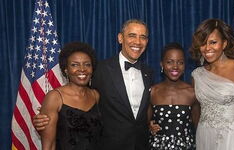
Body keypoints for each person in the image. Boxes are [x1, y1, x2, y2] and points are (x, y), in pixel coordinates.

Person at [33, 19, 153, 150]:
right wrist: (44, 118)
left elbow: (146, 110)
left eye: (143, 37)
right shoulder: (99, 70)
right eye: (132, 35)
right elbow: (74, 101)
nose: (137, 41)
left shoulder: (148, 73)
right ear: (120, 38)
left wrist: (152, 123)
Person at [190, 18, 234, 150]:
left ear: (224, 43)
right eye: (203, 43)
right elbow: (195, 109)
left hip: (233, 137)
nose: (207, 48)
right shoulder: (197, 75)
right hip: (205, 136)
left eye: (213, 42)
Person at [39, 42, 102, 150]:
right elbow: (48, 145)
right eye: (74, 65)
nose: (82, 69)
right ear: (66, 70)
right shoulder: (55, 97)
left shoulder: (95, 95)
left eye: (87, 64)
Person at [147, 42, 200, 150]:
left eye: (180, 62)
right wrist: (149, 126)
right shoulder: (152, 92)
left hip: (186, 146)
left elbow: (198, 127)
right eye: (169, 62)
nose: (175, 66)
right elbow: (144, 123)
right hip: (157, 147)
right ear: (162, 64)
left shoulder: (192, 92)